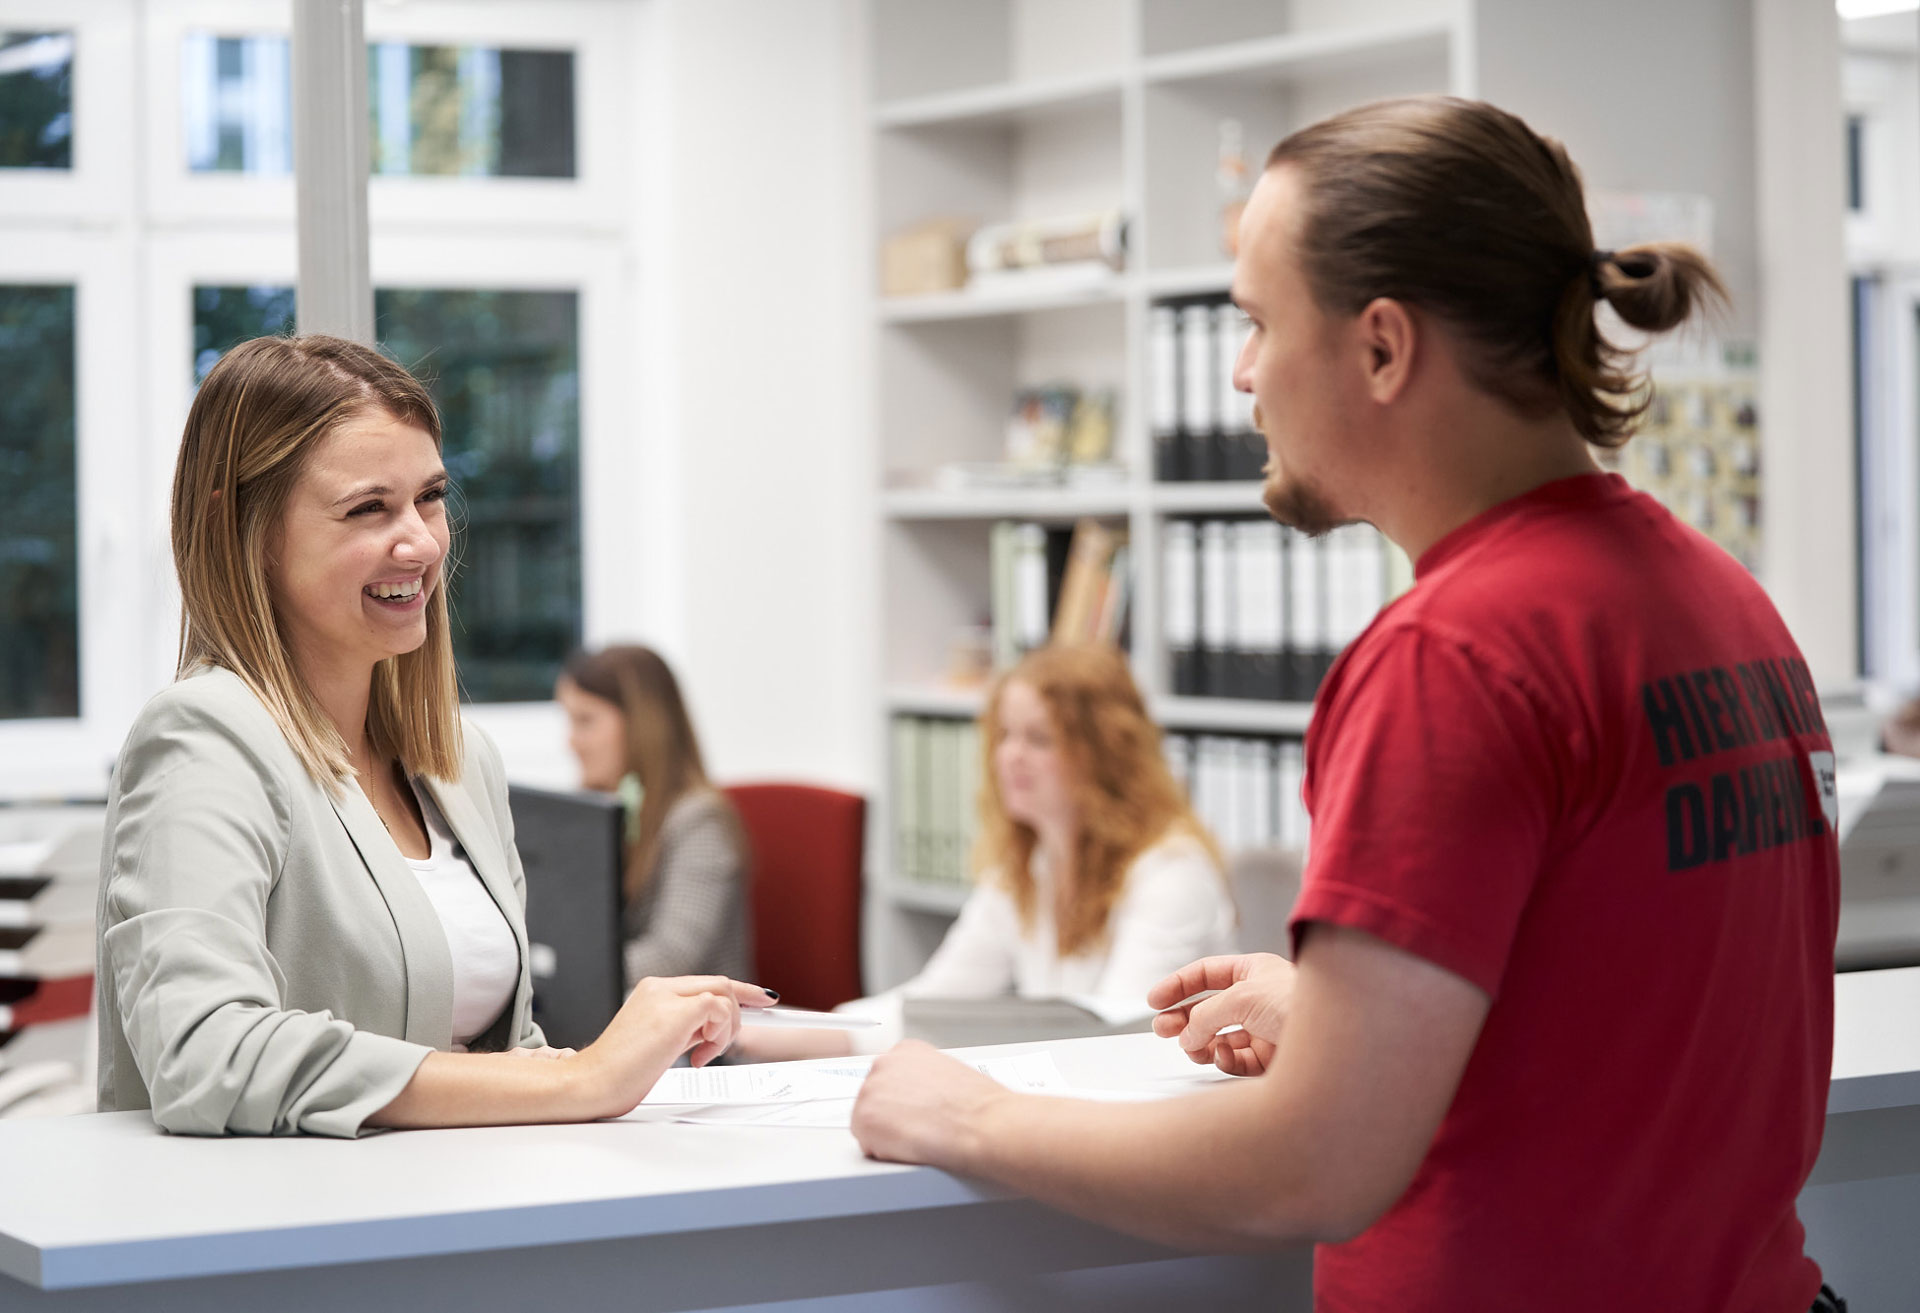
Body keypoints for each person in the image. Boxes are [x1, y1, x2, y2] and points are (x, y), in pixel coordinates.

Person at [850, 95, 1844, 1313]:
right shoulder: (1723, 601)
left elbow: (1308, 1169)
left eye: (1261, 321)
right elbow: (1633, 993)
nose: (1241, 372)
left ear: (1382, 348)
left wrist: (976, 1114)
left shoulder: (1451, 656)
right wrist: (1347, 1015)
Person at [96, 334, 771, 1138]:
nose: (420, 541)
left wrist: (602, 1064)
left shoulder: (459, 765)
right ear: (245, 527)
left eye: (430, 496)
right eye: (367, 508)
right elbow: (204, 1053)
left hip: (454, 1219)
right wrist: (586, 1075)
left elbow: (502, 1058)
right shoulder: (205, 740)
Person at [738, 641, 1235, 1062]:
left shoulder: (1171, 871)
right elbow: (932, 1003)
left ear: (1106, 755)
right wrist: (766, 1033)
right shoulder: (1027, 865)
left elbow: (1115, 1035)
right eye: (1005, 735)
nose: (1011, 756)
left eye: (1039, 739)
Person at [555, 645, 751, 986]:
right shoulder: (601, 809)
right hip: (633, 1021)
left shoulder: (699, 821)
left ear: (640, 724)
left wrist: (560, 973)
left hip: (705, 1033)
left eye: (585, 721)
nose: (571, 741)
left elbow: (671, 957)